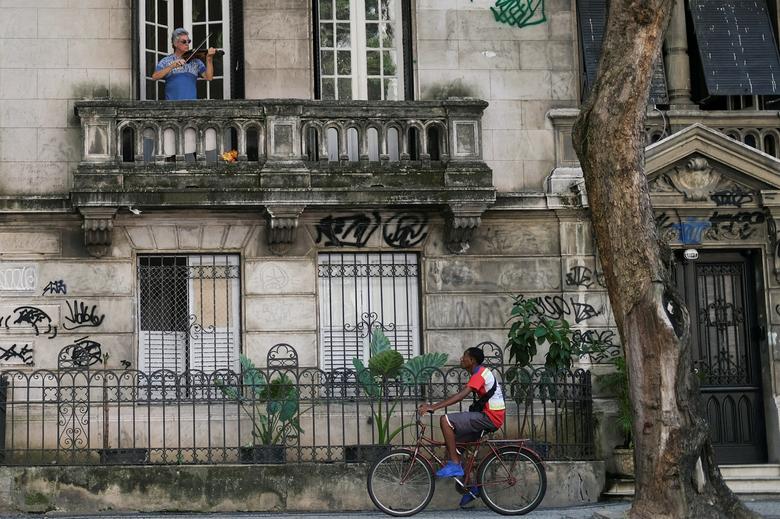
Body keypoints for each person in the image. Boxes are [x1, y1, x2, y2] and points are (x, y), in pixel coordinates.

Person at [417, 347, 505, 507]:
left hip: (490, 417)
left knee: (446, 420)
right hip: (489, 416)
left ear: (472, 360)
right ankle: (472, 489)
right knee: (455, 448)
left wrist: (433, 407)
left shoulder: (479, 374)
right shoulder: (480, 373)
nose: (461, 359)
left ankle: (456, 465)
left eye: (464, 356)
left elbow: (460, 396)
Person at [152, 28, 216, 100]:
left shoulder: (195, 61)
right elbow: (155, 77)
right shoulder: (166, 61)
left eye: (188, 41)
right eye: (184, 42)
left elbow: (209, 77)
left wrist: (209, 59)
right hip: (171, 105)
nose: (187, 44)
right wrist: (172, 66)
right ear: (175, 43)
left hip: (191, 105)